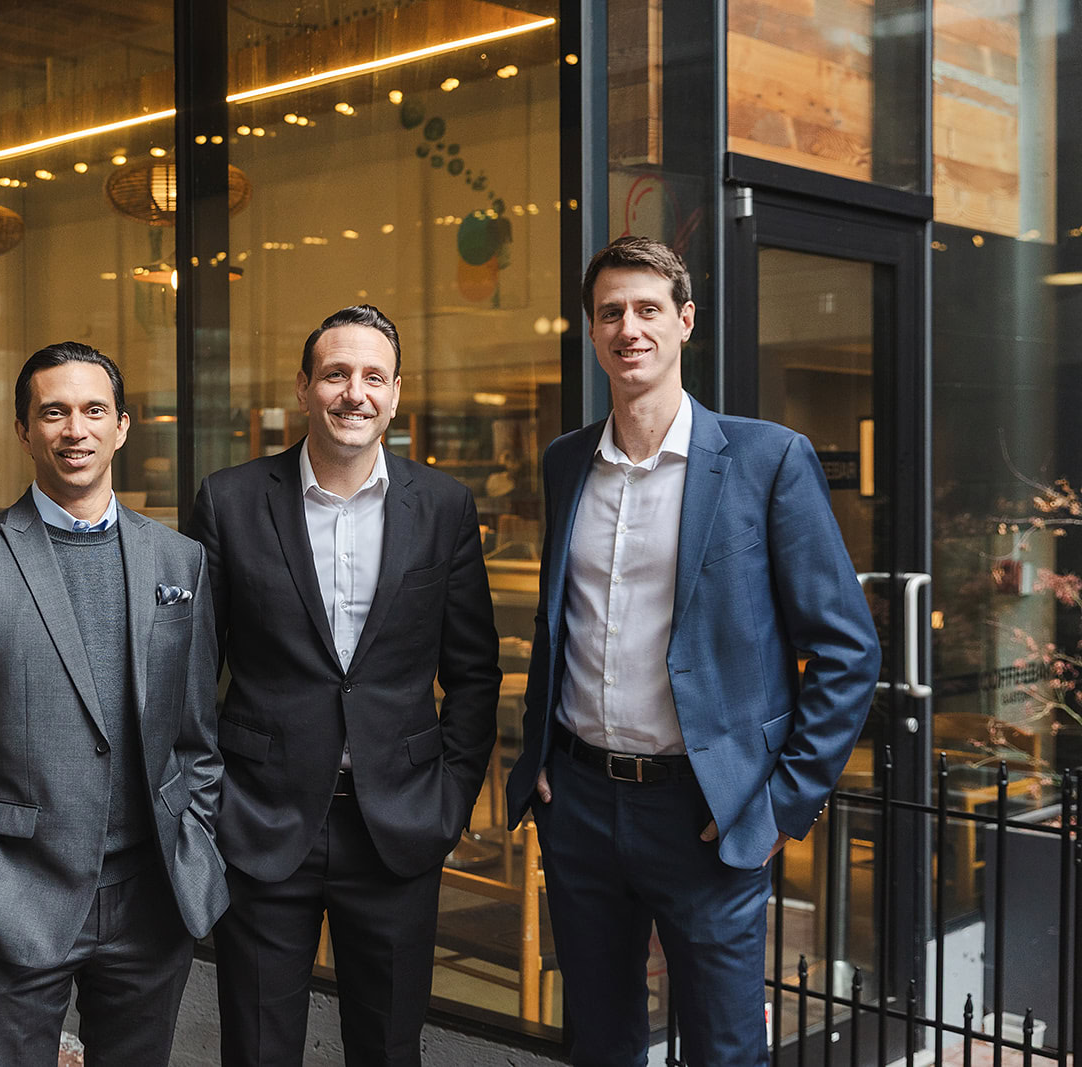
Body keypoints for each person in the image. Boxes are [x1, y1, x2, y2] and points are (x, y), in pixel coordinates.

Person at [504, 237, 880, 1065]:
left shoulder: (765, 458)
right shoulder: (568, 462)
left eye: (646, 310)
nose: (628, 328)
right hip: (581, 804)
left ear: (684, 322)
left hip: (707, 813)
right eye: (610, 312)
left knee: (724, 1048)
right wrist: (536, 754)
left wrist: (780, 805)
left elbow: (848, 650)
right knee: (600, 1043)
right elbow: (558, 621)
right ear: (591, 332)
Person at [189, 305, 501, 1066]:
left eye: (372, 376)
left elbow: (473, 670)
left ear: (397, 395)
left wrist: (449, 797)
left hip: (397, 827)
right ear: (303, 388)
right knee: (257, 1050)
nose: (353, 392)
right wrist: (211, 803)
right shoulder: (229, 501)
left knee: (389, 1049)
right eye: (336, 373)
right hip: (261, 825)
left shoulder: (445, 507)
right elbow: (190, 673)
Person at [0, 342, 226, 1067]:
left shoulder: (180, 562)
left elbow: (197, 735)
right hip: (17, 895)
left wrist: (194, 843)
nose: (74, 429)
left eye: (92, 410)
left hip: (151, 896)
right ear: (25, 429)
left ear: (122, 426)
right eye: (53, 412)